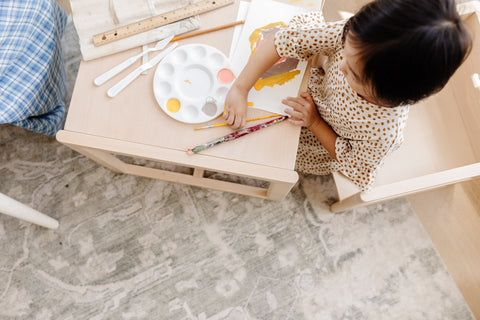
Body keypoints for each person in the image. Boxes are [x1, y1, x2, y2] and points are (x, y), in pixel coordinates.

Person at [224, 0, 472, 190]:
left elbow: (354, 165)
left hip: (323, 135)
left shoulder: (382, 131)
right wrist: (240, 87)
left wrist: (315, 122)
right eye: (346, 49)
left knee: (263, 148)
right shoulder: (361, 38)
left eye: (353, 73)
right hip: (315, 94)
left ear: (384, 97)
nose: (342, 65)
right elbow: (286, 39)